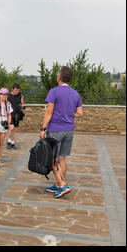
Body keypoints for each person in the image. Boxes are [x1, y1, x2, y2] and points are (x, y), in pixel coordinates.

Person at [40, 66, 83, 198]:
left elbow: (49, 112)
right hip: (69, 130)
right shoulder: (75, 94)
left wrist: (43, 128)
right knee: (62, 158)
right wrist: (68, 114)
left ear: (59, 78)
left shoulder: (54, 92)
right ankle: (59, 185)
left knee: (53, 160)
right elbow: (80, 113)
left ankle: (63, 185)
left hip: (55, 130)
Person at [7, 83, 25, 149]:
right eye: (15, 90)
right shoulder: (8, 96)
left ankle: (13, 142)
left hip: (17, 114)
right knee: (11, 128)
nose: (17, 92)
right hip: (10, 114)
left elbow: (22, 103)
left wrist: (23, 106)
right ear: (12, 89)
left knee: (15, 130)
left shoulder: (20, 95)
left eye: (18, 90)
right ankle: (9, 141)